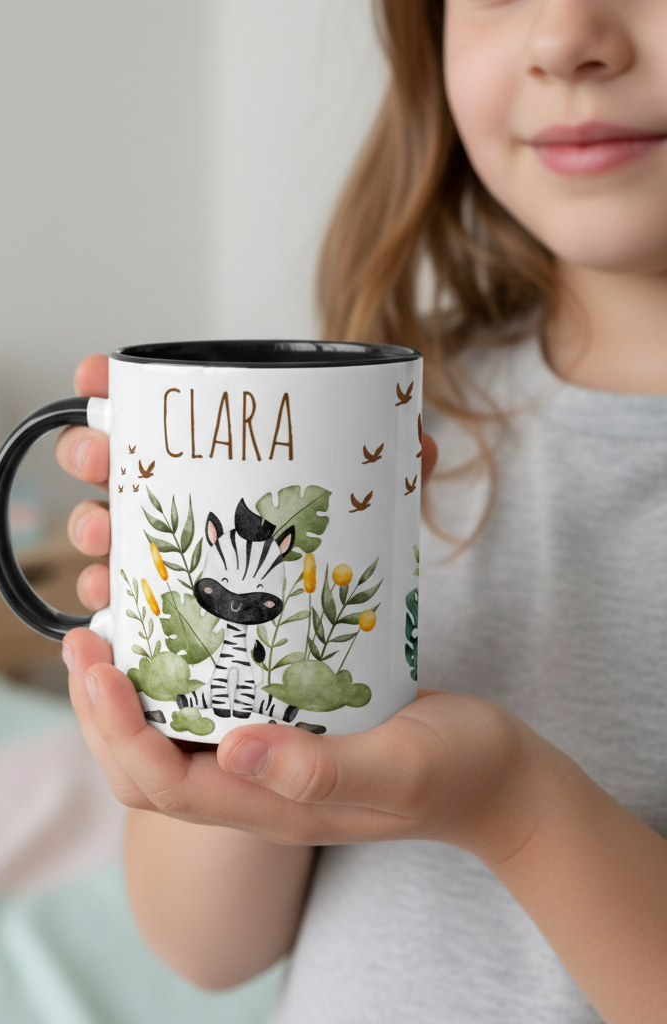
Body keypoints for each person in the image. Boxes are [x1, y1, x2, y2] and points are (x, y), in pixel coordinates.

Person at [54, 1, 667, 1021]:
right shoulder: (395, 431)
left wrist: (514, 808)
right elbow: (205, 947)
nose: (564, 36)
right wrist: (207, 732)